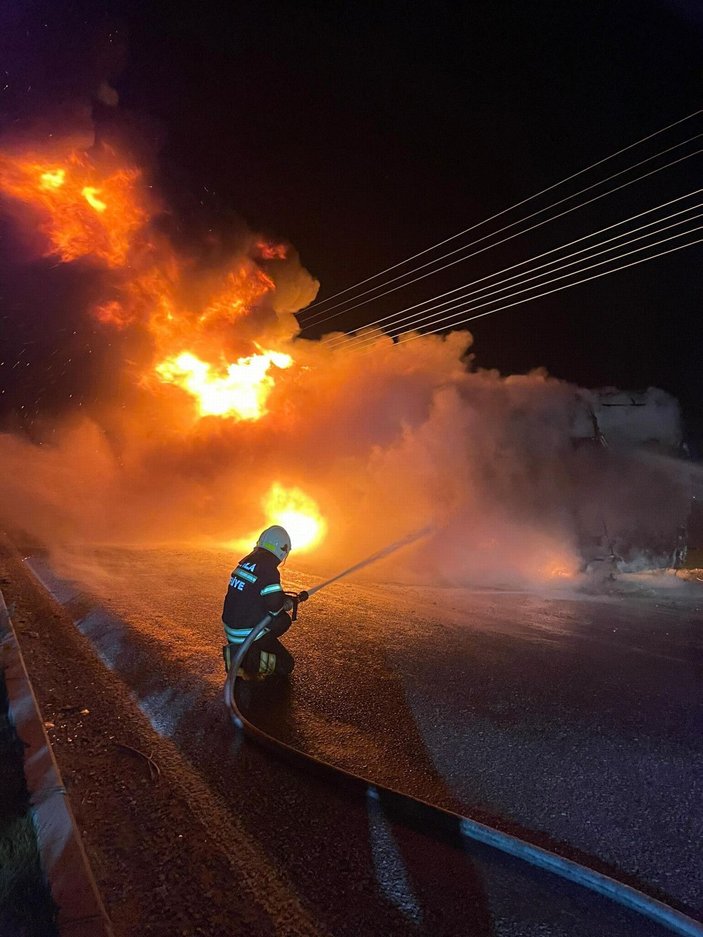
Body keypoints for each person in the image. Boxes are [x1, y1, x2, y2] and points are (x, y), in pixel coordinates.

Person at [222, 525, 298, 679]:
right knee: (286, 663)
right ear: (282, 550)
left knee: (281, 620)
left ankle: (249, 650)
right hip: (245, 633)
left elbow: (255, 593)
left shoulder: (247, 561)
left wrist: (282, 598)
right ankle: (247, 660)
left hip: (232, 627)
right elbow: (274, 607)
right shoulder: (269, 569)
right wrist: (285, 603)